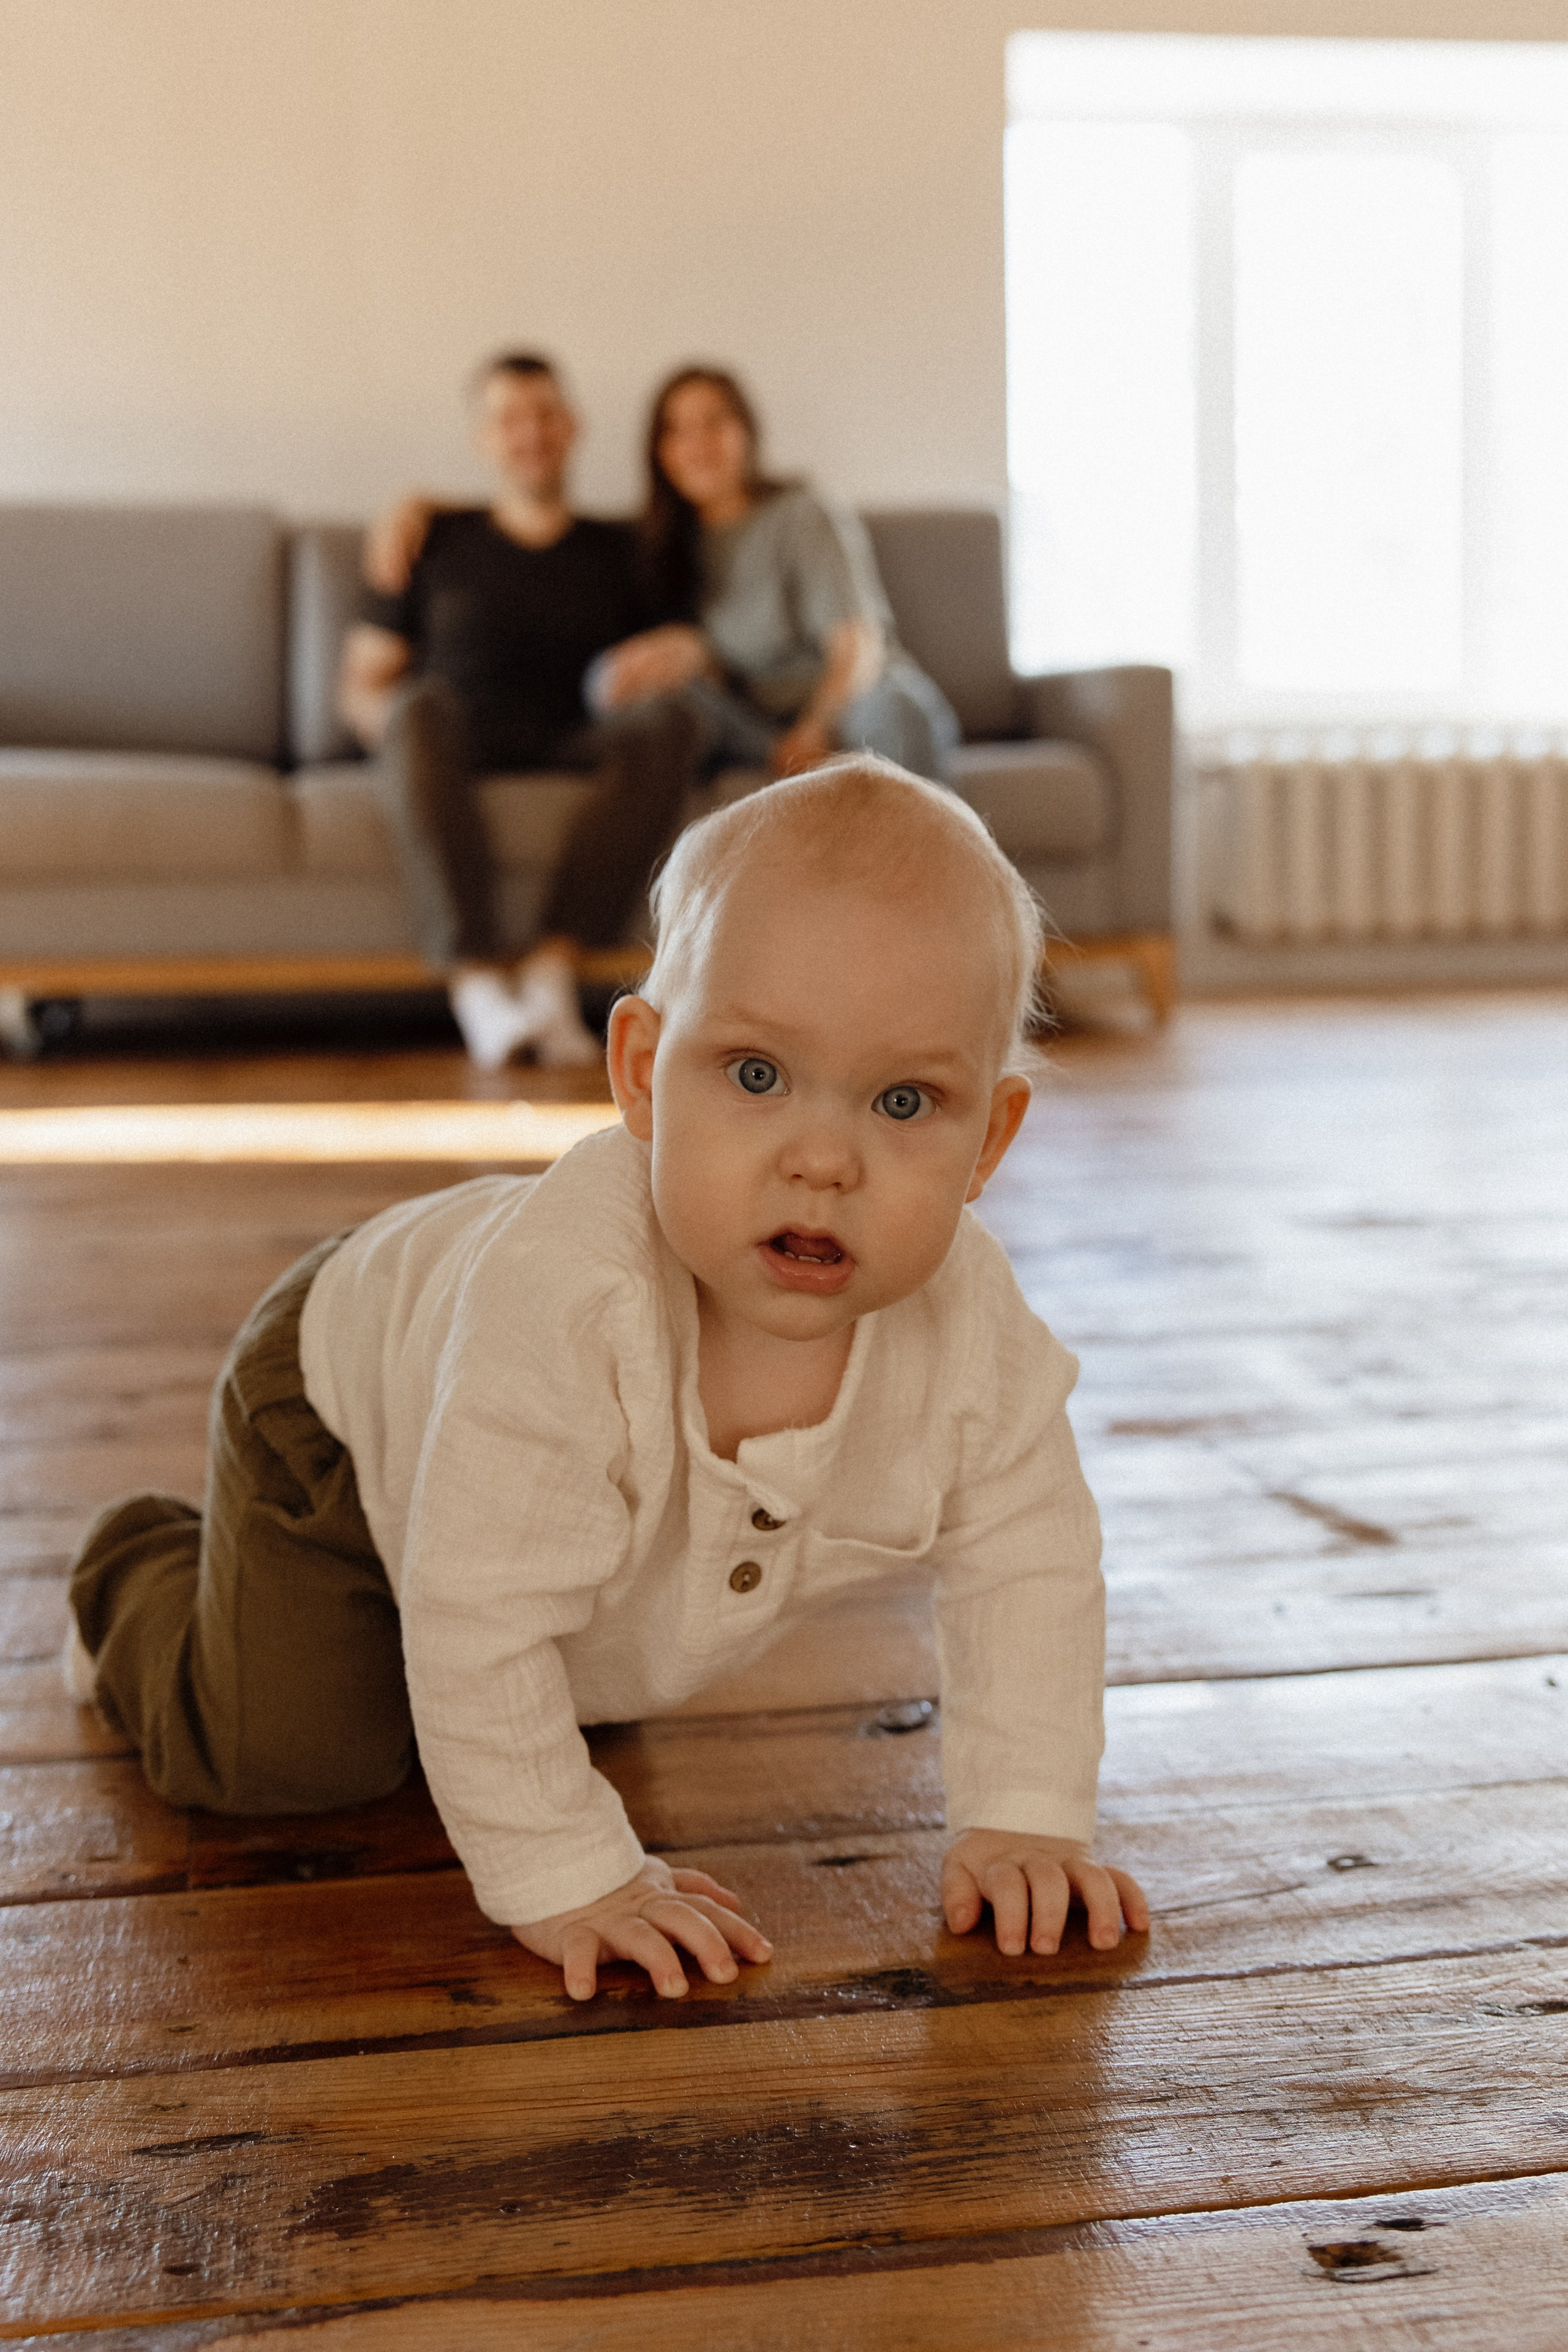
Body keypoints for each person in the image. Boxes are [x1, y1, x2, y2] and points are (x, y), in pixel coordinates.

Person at [62, 755, 1148, 2001]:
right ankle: (131, 1573)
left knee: (553, 1665)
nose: (820, 1160)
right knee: (287, 1758)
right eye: (754, 1075)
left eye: (903, 1101)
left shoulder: (973, 1336)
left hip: (502, 1500)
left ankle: (499, 1667)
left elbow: (1031, 1560)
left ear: (988, 1141)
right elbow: (478, 1608)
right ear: (639, 1071)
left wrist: (1022, 1813)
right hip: (339, 1411)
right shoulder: (569, 1306)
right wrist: (570, 1873)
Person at [339, 351, 699, 1071]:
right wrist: (401, 735)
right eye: (510, 419)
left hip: (581, 731)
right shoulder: (432, 540)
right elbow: (361, 685)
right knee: (414, 707)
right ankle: (476, 985)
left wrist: (685, 652)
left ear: (572, 428)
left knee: (678, 721)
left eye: (544, 415)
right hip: (455, 734)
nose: (530, 433)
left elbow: (686, 645)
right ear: (483, 439)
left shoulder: (625, 548)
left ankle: (550, 972)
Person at [366, 364, 960, 790]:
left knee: (889, 712)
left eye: (715, 423)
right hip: (747, 724)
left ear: (746, 433)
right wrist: (417, 505)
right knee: (613, 679)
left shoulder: (802, 514)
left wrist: (816, 728)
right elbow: (514, 503)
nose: (697, 444)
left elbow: (856, 650)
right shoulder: (656, 541)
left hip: (842, 702)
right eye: (678, 430)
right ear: (660, 451)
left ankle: (927, 901)